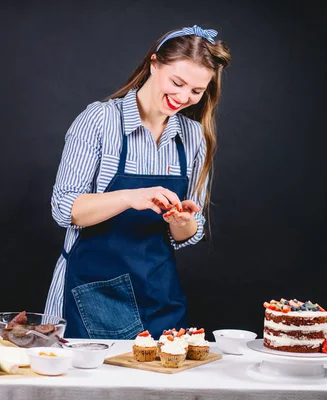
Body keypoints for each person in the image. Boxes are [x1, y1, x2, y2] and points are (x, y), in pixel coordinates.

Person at [45, 25, 232, 339]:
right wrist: (130, 197)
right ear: (154, 64)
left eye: (197, 91)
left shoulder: (193, 136)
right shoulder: (100, 121)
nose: (184, 97)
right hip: (92, 293)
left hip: (159, 297)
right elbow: (66, 208)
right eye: (177, 82)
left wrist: (182, 220)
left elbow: (188, 234)